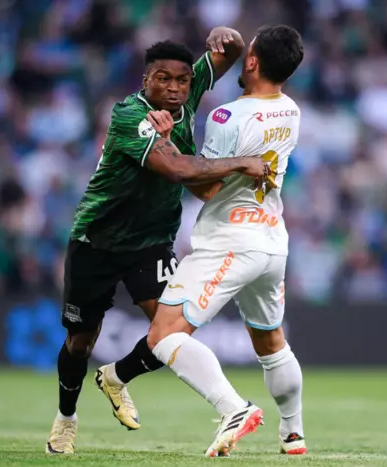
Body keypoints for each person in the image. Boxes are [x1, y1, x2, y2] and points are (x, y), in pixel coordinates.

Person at [46, 27, 270, 455]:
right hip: (97, 241)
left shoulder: (188, 93)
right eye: (162, 79)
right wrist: (242, 161)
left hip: (151, 243)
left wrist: (228, 36)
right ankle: (66, 419)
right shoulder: (130, 115)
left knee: (170, 329)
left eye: (182, 80)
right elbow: (178, 170)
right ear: (145, 79)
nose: (173, 88)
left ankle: (121, 379)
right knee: (80, 342)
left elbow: (232, 51)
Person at [105, 24, 307, 457]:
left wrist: (169, 142)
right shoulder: (291, 110)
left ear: (252, 62)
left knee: (163, 336)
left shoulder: (226, 117)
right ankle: (293, 433)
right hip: (272, 239)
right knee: (272, 343)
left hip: (229, 240)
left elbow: (207, 188)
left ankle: (233, 409)